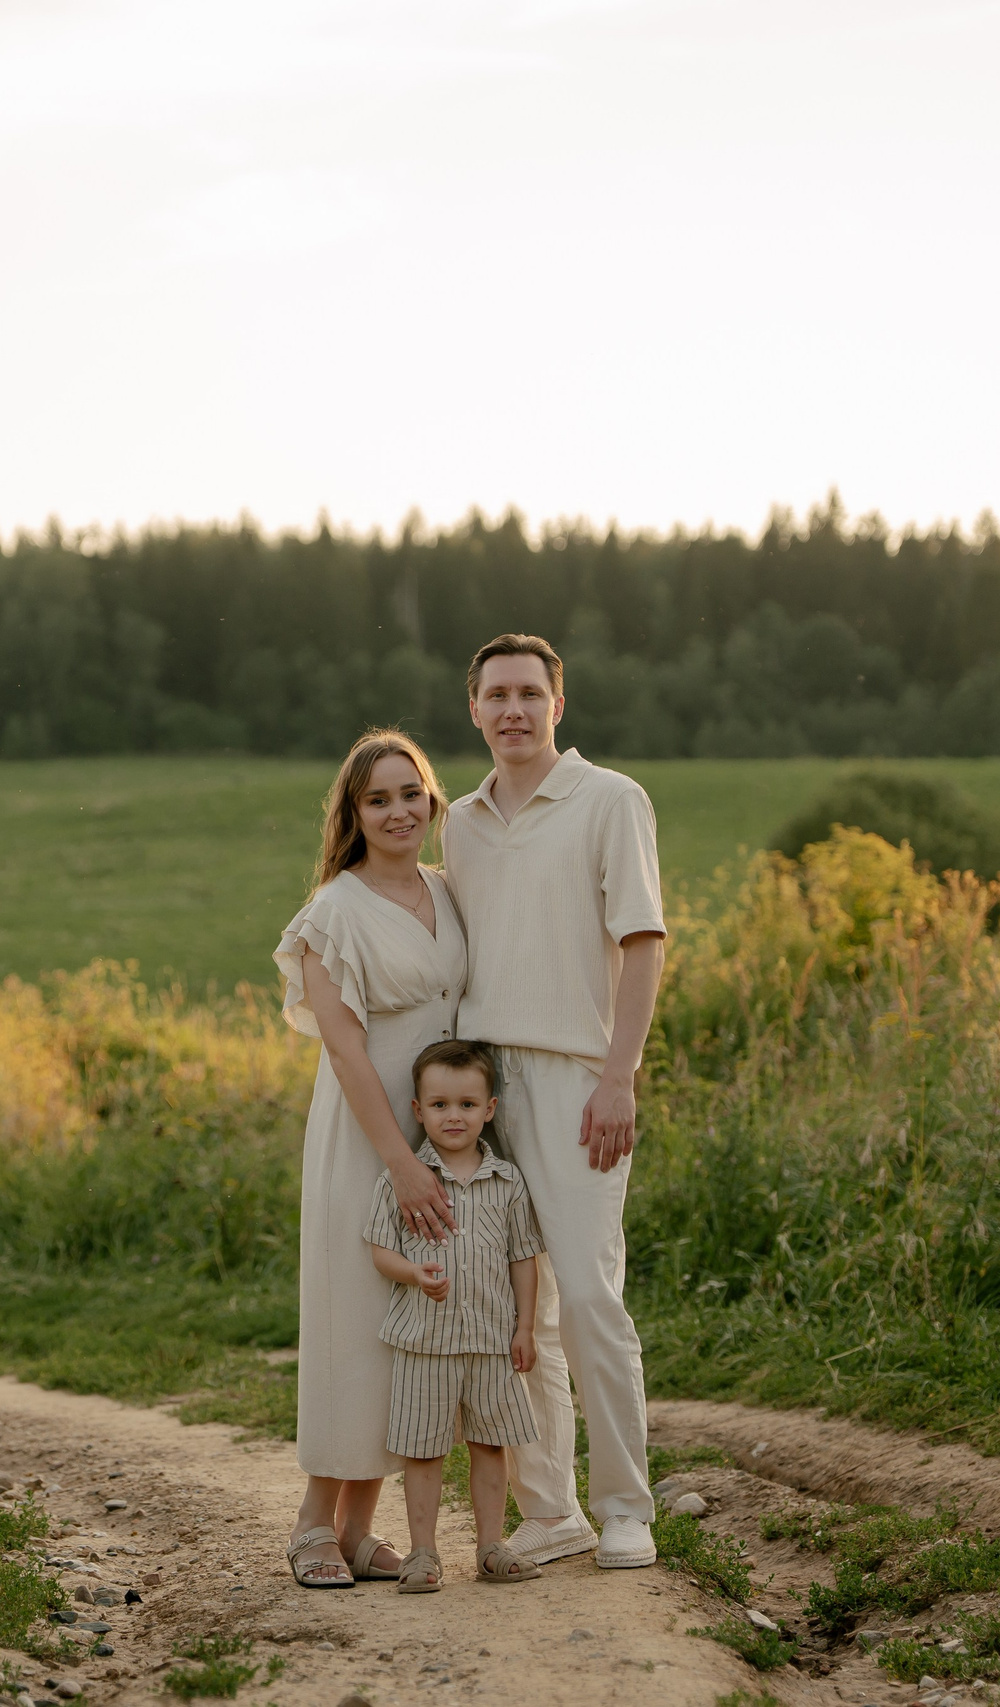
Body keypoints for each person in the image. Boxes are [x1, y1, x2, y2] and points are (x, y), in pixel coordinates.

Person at [442, 632, 668, 1571]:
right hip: (491, 1082)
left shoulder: (610, 800)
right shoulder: (459, 820)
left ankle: (625, 1507)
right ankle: (551, 1509)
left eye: (530, 694)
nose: (513, 711)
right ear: (475, 709)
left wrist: (620, 1074)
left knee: (584, 1295)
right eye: (496, 695)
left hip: (581, 1078)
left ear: (558, 706)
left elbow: (646, 941)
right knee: (510, 1310)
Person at [272, 729, 468, 1588]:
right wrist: (399, 1161)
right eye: (377, 798)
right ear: (353, 814)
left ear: (432, 799)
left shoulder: (447, 891)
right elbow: (349, 1054)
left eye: (410, 792)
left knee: (409, 1334)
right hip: (366, 1140)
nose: (398, 810)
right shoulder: (332, 913)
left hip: (440, 1133)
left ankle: (360, 1530)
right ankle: (314, 1521)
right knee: (355, 1317)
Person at [363, 1040, 547, 1594]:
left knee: (491, 1444)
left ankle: (491, 1546)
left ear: (489, 1108)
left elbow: (523, 1257)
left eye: (467, 1105)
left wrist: (524, 1327)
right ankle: (422, 1553)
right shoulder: (404, 1179)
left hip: (491, 1341)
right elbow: (379, 1252)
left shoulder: (508, 1183)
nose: (453, 1116)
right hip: (425, 1342)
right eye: (439, 1104)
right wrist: (415, 1274)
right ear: (418, 1110)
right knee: (424, 1448)